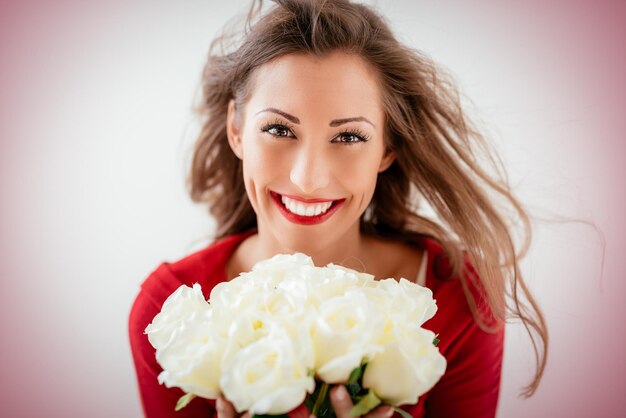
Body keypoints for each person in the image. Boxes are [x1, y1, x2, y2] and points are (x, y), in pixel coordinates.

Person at [129, 1, 548, 417]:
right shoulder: (170, 317)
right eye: (279, 129)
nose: (308, 179)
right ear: (236, 129)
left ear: (388, 147)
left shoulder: (461, 300)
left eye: (348, 137)